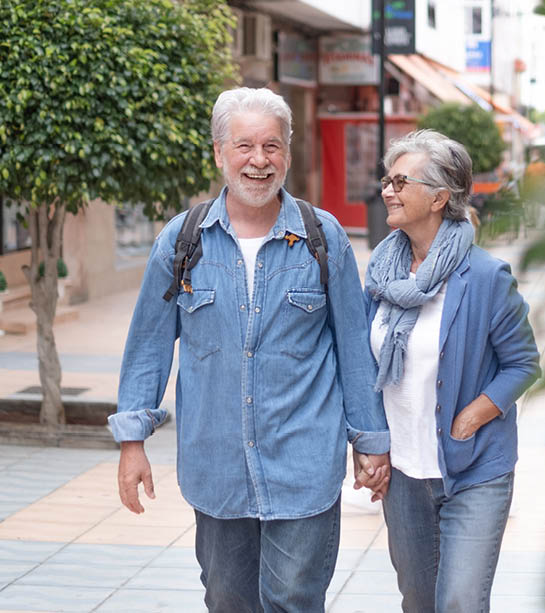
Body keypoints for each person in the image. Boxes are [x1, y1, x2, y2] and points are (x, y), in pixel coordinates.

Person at [107, 87, 390, 613]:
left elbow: (353, 344)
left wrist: (370, 440)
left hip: (304, 464)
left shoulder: (321, 236)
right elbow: (148, 344)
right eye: (244, 146)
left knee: (292, 600)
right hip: (215, 466)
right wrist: (132, 441)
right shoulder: (181, 240)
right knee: (227, 601)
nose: (259, 161)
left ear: (288, 152)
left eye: (272, 146)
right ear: (219, 153)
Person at [363, 130, 540, 612]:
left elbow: (523, 363)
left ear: (440, 197)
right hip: (403, 472)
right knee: (420, 602)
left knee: (459, 600)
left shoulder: (485, 277)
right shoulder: (381, 273)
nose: (387, 190)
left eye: (401, 181)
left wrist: (471, 418)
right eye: (386, 179)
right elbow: (364, 365)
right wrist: (368, 445)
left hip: (473, 467)